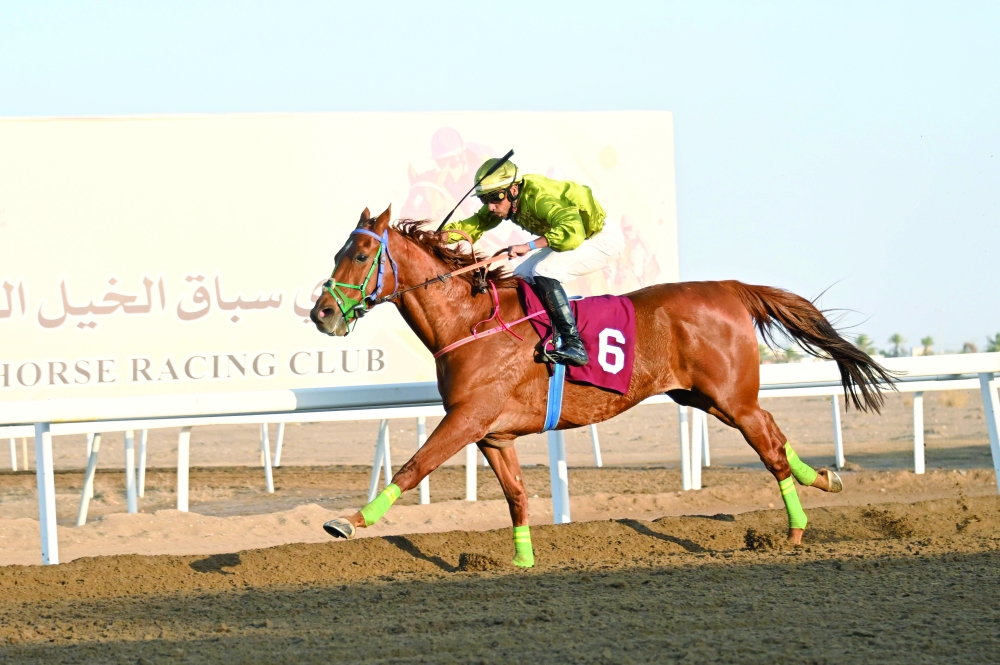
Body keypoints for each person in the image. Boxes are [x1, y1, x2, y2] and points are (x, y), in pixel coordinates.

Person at [443, 158, 624, 366]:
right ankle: (542, 336)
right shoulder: (506, 200)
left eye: (494, 199)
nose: (491, 207)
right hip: (578, 236)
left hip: (599, 238)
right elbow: (477, 223)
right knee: (521, 276)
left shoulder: (538, 198)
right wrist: (441, 236)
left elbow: (573, 231)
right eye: (485, 200)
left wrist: (528, 246)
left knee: (544, 270)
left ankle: (575, 345)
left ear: (512, 190)